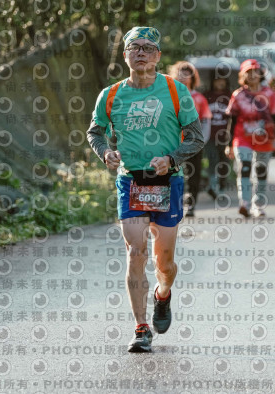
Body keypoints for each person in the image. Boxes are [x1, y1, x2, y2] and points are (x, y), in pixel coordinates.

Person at [86, 27, 204, 352]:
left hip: (167, 181)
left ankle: (162, 295)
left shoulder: (175, 91)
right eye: (134, 47)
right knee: (135, 252)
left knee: (164, 262)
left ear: (158, 56)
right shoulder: (111, 95)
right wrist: (105, 153)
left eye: (148, 48)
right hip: (131, 181)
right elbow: (95, 132)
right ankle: (141, 328)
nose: (140, 52)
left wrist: (171, 158)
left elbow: (196, 137)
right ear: (125, 54)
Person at [225, 59, 275, 218]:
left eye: (255, 72)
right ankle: (245, 203)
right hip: (242, 137)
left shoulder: (269, 94)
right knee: (244, 167)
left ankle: (259, 204)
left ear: (260, 74)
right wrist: (229, 144)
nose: (252, 75)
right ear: (243, 76)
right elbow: (232, 121)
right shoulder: (238, 95)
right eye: (248, 72)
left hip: (265, 137)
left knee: (261, 169)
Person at [169, 61, 211, 217]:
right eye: (180, 73)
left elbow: (206, 120)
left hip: (193, 143)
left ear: (193, 78)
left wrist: (201, 141)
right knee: (173, 172)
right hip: (172, 142)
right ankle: (173, 203)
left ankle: (190, 204)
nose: (183, 77)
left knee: (193, 174)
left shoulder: (199, 98)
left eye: (187, 74)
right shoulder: (170, 96)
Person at [204, 73, 232, 198]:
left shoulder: (230, 96)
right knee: (212, 159)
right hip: (209, 135)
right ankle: (212, 185)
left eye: (222, 80)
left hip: (226, 136)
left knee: (224, 162)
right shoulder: (206, 95)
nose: (219, 83)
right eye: (217, 80)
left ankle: (222, 186)